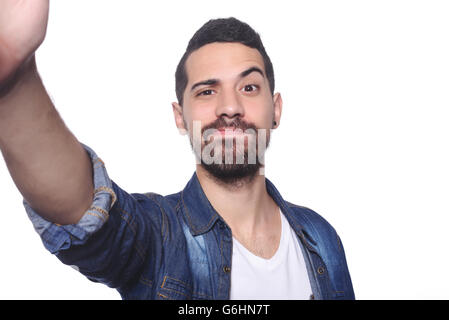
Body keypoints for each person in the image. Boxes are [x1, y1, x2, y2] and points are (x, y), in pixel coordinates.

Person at [0, 1, 354, 300]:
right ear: (180, 117)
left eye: (248, 87)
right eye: (206, 91)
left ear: (275, 109)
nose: (229, 107)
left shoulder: (321, 237)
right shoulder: (159, 235)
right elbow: (85, 213)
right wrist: (15, 82)